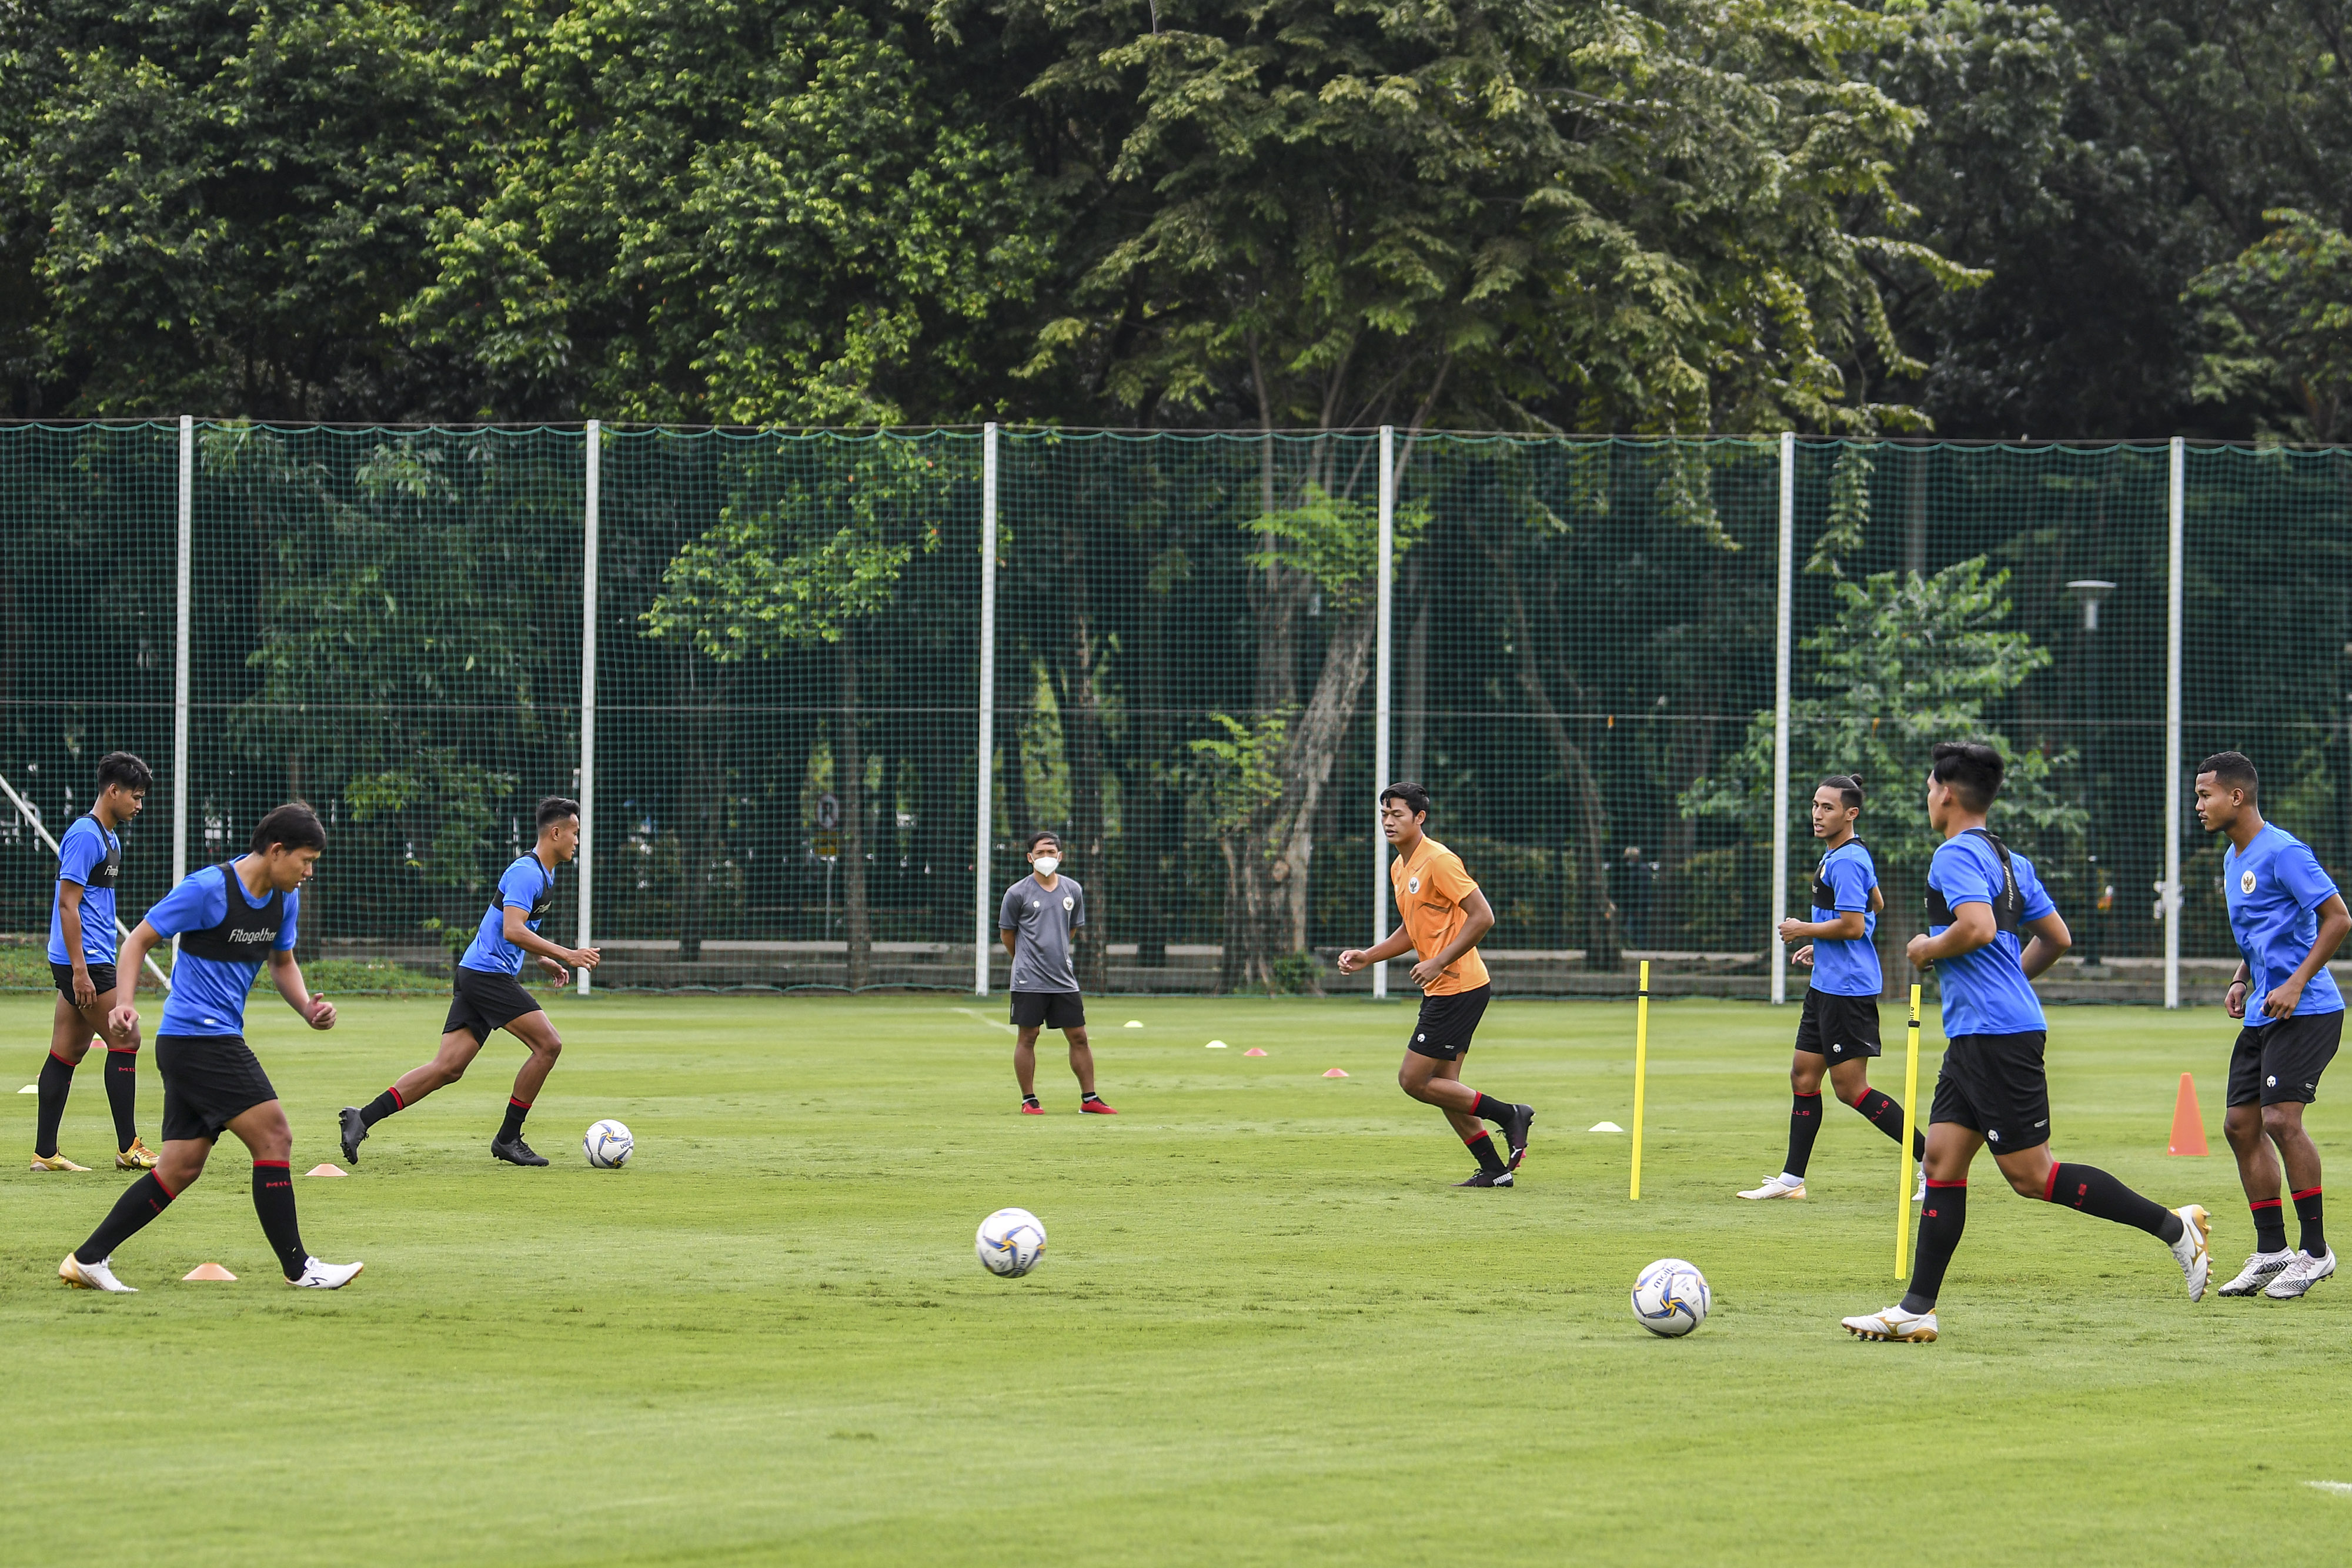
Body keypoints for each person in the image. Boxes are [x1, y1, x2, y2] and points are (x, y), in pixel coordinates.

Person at [1842, 743, 2209, 1342]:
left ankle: (2174, 1227)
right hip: (1979, 1034)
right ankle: (1916, 1308)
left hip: (1995, 1036)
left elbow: (1977, 927)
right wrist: (2007, 980)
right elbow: (2056, 937)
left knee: (2031, 1176)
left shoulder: (1953, 856)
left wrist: (1925, 950)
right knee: (1940, 1163)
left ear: (1948, 794)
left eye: (1929, 787)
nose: (1926, 797)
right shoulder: (2008, 860)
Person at [58, 803, 361, 1292]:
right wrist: (125, 1004)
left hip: (207, 1040)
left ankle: (88, 1258)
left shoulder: (284, 899)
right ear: (276, 850)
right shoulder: (208, 888)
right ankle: (299, 1267)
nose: (309, 872)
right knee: (275, 1137)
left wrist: (307, 1007)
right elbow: (137, 941)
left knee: (179, 1167)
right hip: (198, 1038)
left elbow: (282, 961)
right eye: (305, 861)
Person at [340, 797, 600, 1167]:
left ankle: (361, 1118)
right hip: (486, 976)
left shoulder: (545, 873)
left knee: (448, 1068)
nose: (577, 840)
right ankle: (508, 1139)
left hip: (478, 972)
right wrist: (566, 954)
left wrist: (542, 959)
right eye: (574, 832)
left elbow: (516, 927)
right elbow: (512, 930)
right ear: (555, 832)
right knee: (549, 1046)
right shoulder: (527, 872)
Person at [2193, 751, 2347, 1300]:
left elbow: (2338, 918)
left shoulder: (2284, 851)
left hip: (2308, 1010)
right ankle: (2272, 1250)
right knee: (2240, 1125)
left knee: (2282, 1119)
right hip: (2264, 1010)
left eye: (2205, 795)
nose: (2199, 806)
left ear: (2237, 796)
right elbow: (2261, 932)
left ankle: (2315, 1252)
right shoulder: (2235, 859)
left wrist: (2297, 982)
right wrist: (2241, 978)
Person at [1337, 782, 1534, 1187]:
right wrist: (1368, 956)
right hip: (1447, 987)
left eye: (1398, 815)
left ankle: (1510, 1113)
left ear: (1420, 818)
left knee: (1413, 1080)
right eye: (1384, 814)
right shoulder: (1400, 867)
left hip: (1458, 987)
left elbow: (1483, 916)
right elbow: (1414, 929)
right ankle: (1496, 1171)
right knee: (1444, 1088)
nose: (1388, 822)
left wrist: (1440, 960)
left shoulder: (1439, 860)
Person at [1741, 773, 1925, 1201]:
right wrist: (1820, 946)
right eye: (1815, 805)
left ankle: (1931, 1163)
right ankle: (1791, 1180)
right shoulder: (1844, 853)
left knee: (1851, 1089)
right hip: (1827, 982)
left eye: (1828, 808)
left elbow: (1855, 922)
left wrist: (1803, 930)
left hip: (1848, 989)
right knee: (1804, 1076)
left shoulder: (1847, 860)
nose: (1817, 814)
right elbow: (1875, 902)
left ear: (1851, 813)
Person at [29, 751, 157, 1173]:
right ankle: (129, 1147)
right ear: (113, 791)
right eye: (135, 797)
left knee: (67, 1050)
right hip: (84, 961)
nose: (140, 805)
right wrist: (81, 970)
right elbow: (68, 904)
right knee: (127, 1037)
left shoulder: (111, 836)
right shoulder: (86, 834)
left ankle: (45, 1154)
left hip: (90, 957)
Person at [1001, 831, 1114, 1114]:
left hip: (1063, 979)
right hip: (1029, 980)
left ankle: (1090, 1099)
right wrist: (1025, 960)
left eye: (1051, 852)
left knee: (1079, 1037)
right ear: (1030, 858)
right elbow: (1007, 933)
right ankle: (1030, 1101)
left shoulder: (1073, 890)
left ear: (1060, 856)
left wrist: (1056, 956)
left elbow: (1071, 929)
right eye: (1040, 853)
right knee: (1028, 1036)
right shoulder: (1017, 893)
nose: (1046, 858)